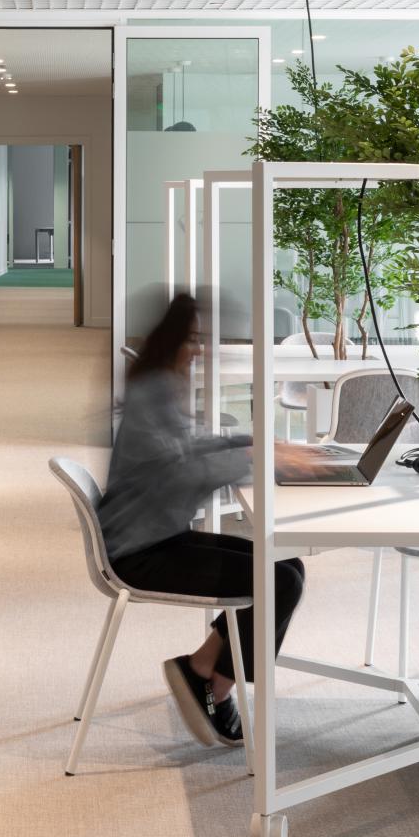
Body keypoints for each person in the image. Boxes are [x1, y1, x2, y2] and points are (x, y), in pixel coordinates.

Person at [101, 294, 307, 748]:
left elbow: (188, 450)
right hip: (142, 553)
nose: (199, 350)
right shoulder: (151, 394)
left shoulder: (156, 386)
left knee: (288, 566)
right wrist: (253, 458)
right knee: (281, 583)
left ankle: (201, 667)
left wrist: (252, 441)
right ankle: (216, 685)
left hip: (158, 536)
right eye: (192, 340)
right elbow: (183, 475)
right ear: (170, 341)